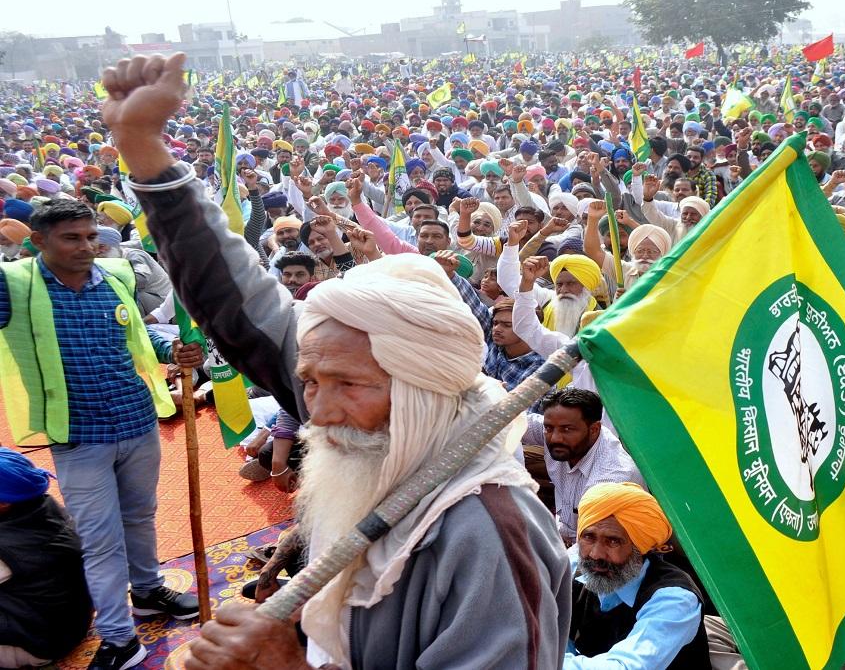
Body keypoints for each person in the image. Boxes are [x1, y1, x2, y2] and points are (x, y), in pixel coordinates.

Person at [102, 52, 571, 670]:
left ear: (422, 387)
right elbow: (235, 302)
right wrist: (142, 147)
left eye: (345, 384)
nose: (317, 414)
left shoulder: (487, 533)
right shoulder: (368, 412)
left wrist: (288, 666)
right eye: (308, 383)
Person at [0, 197, 196, 670]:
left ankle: (147, 592)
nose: (87, 246)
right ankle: (119, 639)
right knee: (100, 538)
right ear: (38, 241)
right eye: (71, 238)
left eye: (91, 236)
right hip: (78, 436)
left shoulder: (115, 276)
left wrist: (173, 349)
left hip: (137, 420)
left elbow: (137, 335)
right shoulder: (14, 285)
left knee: (140, 516)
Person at [566, 482, 710, 669]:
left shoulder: (675, 598)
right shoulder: (575, 569)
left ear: (639, 548)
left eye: (613, 541)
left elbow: (626, 667)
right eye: (588, 537)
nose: (595, 554)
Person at [0, 448, 93, 669]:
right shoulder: (43, 505)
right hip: (69, 623)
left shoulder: (7, 547)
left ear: (4, 503)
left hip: (35, 643)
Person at [521, 388, 644, 545]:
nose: (555, 438)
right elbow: (513, 422)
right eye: (549, 428)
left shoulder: (610, 479)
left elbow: (594, 548)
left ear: (594, 429)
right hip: (567, 535)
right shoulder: (561, 430)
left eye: (567, 430)